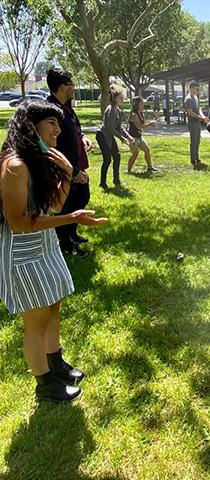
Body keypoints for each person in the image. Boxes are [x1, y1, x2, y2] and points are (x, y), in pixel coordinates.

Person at [0, 100, 107, 402]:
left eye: (58, 123)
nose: (58, 130)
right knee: (35, 322)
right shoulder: (16, 166)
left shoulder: (38, 160)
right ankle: (44, 383)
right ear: (30, 126)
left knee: (53, 309)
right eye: (51, 122)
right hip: (23, 256)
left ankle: (55, 362)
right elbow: (18, 222)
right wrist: (72, 219)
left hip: (45, 247)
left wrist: (68, 173)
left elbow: (54, 206)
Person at [47, 68, 93, 257]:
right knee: (64, 207)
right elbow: (49, 142)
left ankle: (72, 233)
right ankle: (65, 244)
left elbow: (74, 129)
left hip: (77, 164)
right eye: (70, 84)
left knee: (82, 197)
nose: (74, 87)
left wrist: (82, 138)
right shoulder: (50, 109)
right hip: (64, 169)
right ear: (60, 87)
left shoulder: (67, 106)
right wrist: (69, 170)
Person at [96, 85, 133, 190]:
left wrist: (128, 136)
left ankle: (116, 181)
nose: (123, 99)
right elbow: (110, 128)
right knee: (107, 159)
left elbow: (119, 127)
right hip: (103, 135)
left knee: (116, 157)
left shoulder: (118, 110)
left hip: (108, 135)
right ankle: (102, 183)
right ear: (115, 98)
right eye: (121, 97)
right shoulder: (111, 109)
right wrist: (122, 138)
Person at [127, 96, 157, 173]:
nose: (143, 104)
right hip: (132, 138)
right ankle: (129, 170)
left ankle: (150, 167)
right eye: (141, 102)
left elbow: (142, 126)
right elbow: (139, 126)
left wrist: (150, 123)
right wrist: (150, 124)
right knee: (135, 154)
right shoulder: (134, 115)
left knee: (147, 150)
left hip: (139, 137)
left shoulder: (141, 113)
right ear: (137, 104)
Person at [184, 81, 208, 170]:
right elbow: (190, 112)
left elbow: (199, 109)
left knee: (197, 140)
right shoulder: (188, 99)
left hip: (197, 122)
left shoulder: (195, 97)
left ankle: (196, 157)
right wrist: (200, 118)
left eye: (198, 89)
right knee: (193, 141)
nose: (197, 91)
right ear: (190, 88)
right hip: (192, 123)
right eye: (195, 89)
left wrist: (203, 116)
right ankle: (193, 159)